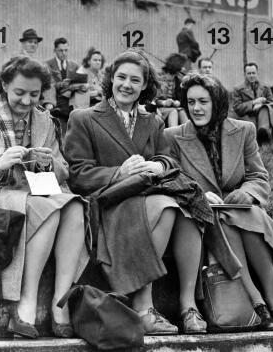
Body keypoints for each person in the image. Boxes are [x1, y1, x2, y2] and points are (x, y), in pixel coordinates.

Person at [64, 49, 208, 335]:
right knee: (168, 207)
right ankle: (143, 307)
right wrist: (119, 172)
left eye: (135, 80)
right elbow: (77, 176)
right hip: (107, 203)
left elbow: (168, 160)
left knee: (189, 209)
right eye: (121, 77)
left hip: (146, 197)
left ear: (145, 86)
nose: (126, 85)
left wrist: (157, 165)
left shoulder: (152, 122)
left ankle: (188, 305)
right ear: (111, 80)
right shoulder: (84, 118)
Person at [0, 56, 87, 339]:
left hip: (34, 192)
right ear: (4, 86)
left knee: (74, 206)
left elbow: (64, 171)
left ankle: (60, 303)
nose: (27, 101)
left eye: (34, 94)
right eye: (19, 93)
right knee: (48, 206)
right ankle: (26, 301)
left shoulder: (45, 121)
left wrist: (50, 162)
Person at [165, 73, 273, 331]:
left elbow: (258, 176)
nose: (196, 108)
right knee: (226, 221)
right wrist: (198, 193)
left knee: (245, 218)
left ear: (217, 102)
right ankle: (261, 302)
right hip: (202, 215)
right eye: (191, 101)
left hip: (241, 210)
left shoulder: (243, 130)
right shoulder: (173, 136)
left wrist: (248, 192)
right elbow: (170, 178)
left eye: (203, 101)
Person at [233, 63, 273, 144]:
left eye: (253, 73)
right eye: (249, 73)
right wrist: (253, 103)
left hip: (263, 116)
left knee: (264, 108)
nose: (251, 76)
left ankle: (263, 132)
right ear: (244, 74)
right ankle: (263, 135)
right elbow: (237, 108)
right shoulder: (238, 89)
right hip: (247, 116)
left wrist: (261, 105)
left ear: (257, 73)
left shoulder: (265, 87)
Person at [45, 37, 80, 134]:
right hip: (56, 98)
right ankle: (51, 106)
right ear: (54, 50)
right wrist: (62, 84)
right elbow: (49, 84)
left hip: (70, 98)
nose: (64, 53)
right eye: (61, 50)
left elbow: (79, 81)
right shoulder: (47, 65)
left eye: (66, 50)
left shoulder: (74, 65)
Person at [151, 53, 188, 127]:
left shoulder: (178, 80)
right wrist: (164, 102)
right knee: (173, 111)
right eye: (182, 66)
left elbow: (181, 98)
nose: (184, 69)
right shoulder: (158, 77)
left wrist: (178, 102)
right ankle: (172, 135)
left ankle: (188, 136)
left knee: (181, 111)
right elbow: (152, 99)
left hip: (170, 107)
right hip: (157, 108)